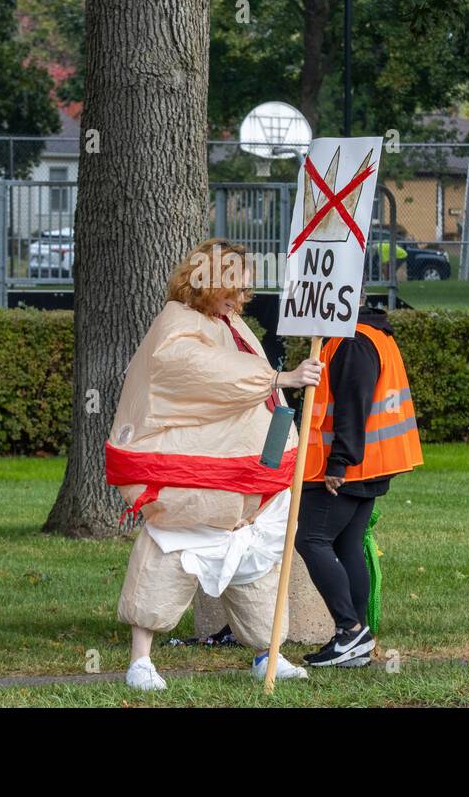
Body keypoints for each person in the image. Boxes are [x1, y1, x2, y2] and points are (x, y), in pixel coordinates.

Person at [107, 238, 324, 691]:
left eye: (246, 290)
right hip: (191, 487)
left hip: (244, 488)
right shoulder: (177, 324)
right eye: (237, 288)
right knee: (168, 557)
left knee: (255, 564)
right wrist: (278, 377)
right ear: (210, 281)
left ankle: (269, 653)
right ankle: (140, 661)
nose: (243, 298)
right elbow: (196, 372)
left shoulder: (229, 323)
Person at [295, 300, 422, 667]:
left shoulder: (352, 341)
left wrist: (339, 462)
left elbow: (354, 404)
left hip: (349, 465)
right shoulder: (373, 334)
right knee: (346, 542)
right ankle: (358, 636)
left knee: (312, 539)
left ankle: (350, 630)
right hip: (371, 462)